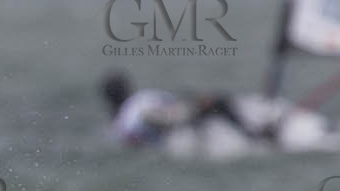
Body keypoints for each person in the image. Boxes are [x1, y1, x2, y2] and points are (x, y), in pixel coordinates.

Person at [100, 70, 268, 147]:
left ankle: (255, 135)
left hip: (162, 120)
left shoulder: (121, 122)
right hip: (168, 115)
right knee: (217, 104)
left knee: (212, 107)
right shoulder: (141, 97)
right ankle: (255, 134)